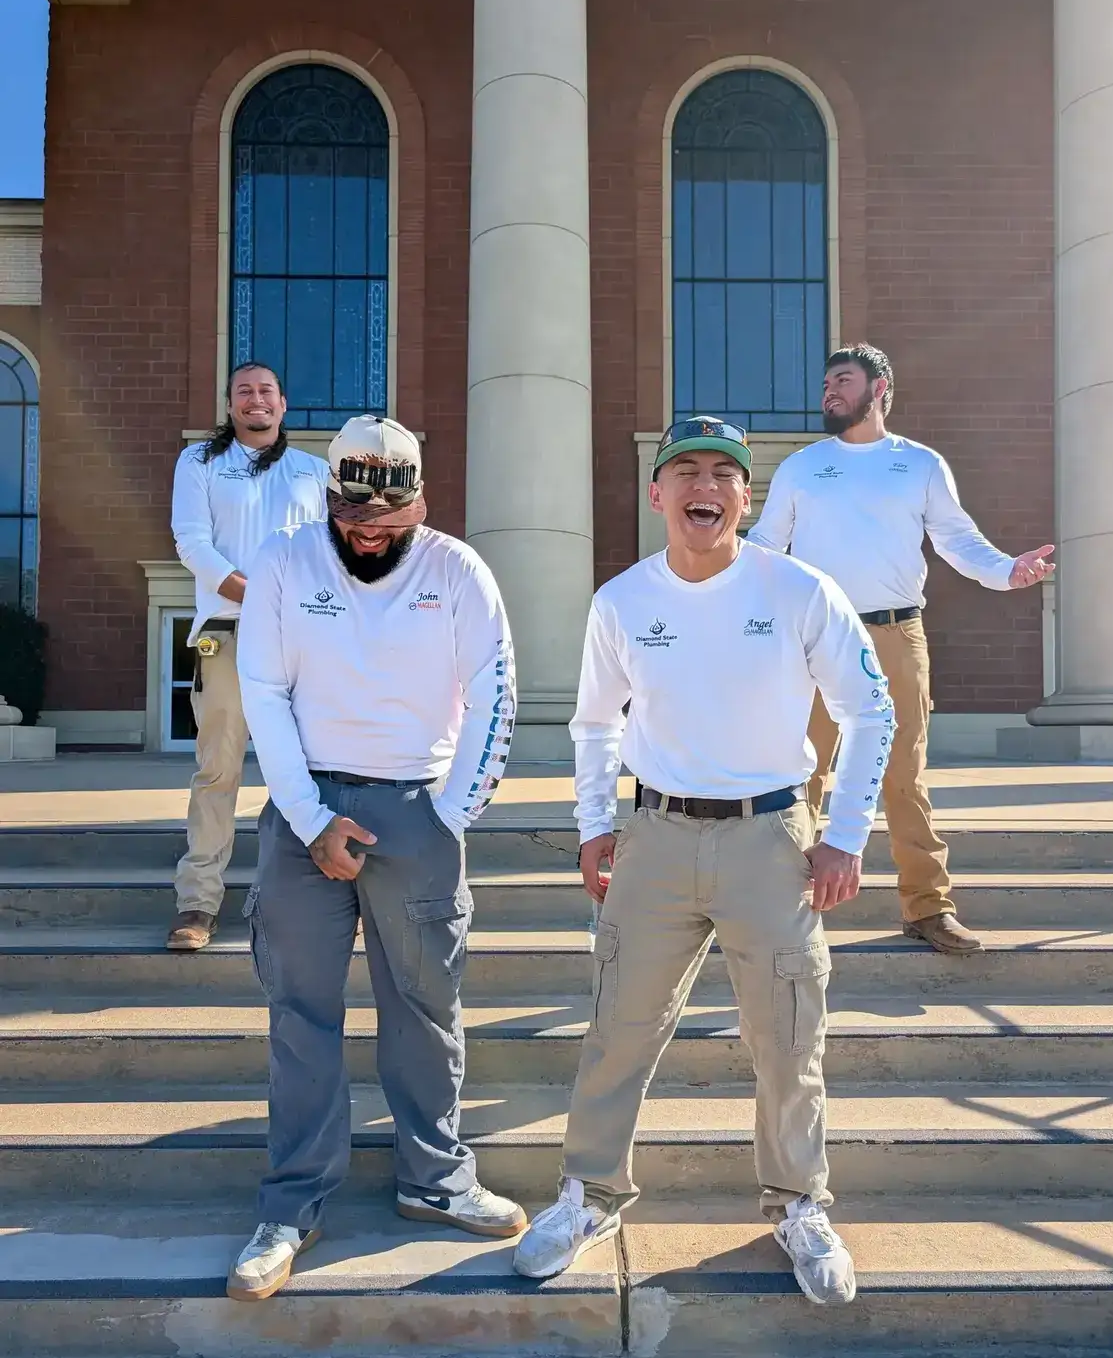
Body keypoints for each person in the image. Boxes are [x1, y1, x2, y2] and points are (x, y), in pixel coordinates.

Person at [513, 416, 895, 1307]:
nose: (706, 487)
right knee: (618, 1030)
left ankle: (799, 1203)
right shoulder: (622, 602)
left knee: (788, 1038)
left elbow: (871, 714)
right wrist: (593, 823)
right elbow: (594, 724)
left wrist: (845, 834)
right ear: (658, 495)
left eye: (725, 474)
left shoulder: (800, 591)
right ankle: (590, 1195)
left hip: (773, 841)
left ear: (745, 499)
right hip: (654, 839)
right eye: (686, 471)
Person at [227, 414, 524, 1302]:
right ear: (329, 499)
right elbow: (263, 694)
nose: (368, 535)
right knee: (302, 1016)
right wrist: (313, 818)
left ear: (420, 503)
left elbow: (496, 693)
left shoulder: (457, 570)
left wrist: (450, 816)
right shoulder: (284, 563)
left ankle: (436, 1178)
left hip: (417, 811)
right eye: (352, 517)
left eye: (387, 522)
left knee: (425, 1007)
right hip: (302, 807)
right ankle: (291, 1206)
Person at [748, 344, 1054, 954]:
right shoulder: (803, 467)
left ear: (879, 387)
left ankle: (927, 908)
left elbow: (958, 541)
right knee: (802, 772)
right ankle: (785, 910)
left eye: (843, 379)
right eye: (826, 382)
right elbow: (762, 548)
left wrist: (1007, 571)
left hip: (896, 635)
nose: (829, 391)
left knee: (904, 775)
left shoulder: (918, 464)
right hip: (815, 638)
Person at [168, 362, 328, 952]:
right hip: (229, 635)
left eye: (265, 391)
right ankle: (198, 903)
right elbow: (192, 543)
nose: (255, 399)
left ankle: (320, 901)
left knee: (316, 772)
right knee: (218, 771)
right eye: (244, 392)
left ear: (283, 404)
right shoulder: (200, 463)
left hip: (303, 641)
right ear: (231, 404)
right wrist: (256, 594)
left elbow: (327, 556)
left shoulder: (314, 472)